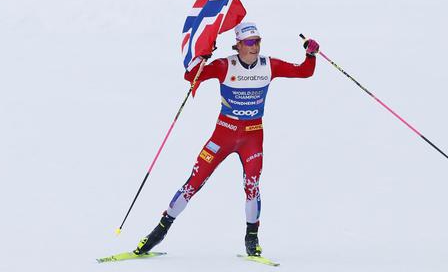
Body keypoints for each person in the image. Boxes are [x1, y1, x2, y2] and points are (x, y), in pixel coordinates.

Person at [134, 23, 319, 259]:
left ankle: (251, 239)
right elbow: (191, 75)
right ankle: (158, 232)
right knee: (194, 182)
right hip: (223, 134)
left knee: (252, 186)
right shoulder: (224, 65)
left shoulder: (268, 65)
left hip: (252, 135)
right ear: (239, 45)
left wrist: (310, 55)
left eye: (258, 41)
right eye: (250, 42)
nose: (255, 47)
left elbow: (304, 71)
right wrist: (203, 56)